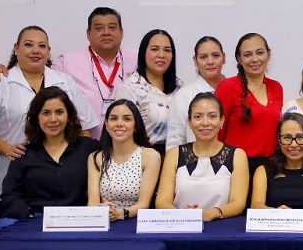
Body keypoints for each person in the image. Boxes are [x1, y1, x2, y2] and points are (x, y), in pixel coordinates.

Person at [0, 26, 99, 208]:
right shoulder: (0, 82)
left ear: (49, 51)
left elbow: (84, 128)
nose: (35, 51)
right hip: (11, 177)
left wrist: (77, 167)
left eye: (42, 46)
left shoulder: (64, 81)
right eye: (28, 45)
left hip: (60, 184)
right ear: (16, 48)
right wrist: (8, 149)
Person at [0, 7, 136, 138]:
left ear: (121, 32)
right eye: (99, 28)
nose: (106, 33)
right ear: (88, 34)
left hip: (127, 147)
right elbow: (35, 69)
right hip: (87, 146)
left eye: (112, 27)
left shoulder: (136, 62)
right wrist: (1, 68)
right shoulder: (67, 62)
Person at [0, 87, 99, 222]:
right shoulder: (24, 153)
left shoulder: (89, 148)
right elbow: (9, 194)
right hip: (31, 219)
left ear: (69, 115)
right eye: (46, 113)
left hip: (76, 219)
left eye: (59, 112)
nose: (53, 119)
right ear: (36, 117)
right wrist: (28, 215)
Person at [156, 92, 248, 221]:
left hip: (222, 229)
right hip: (181, 227)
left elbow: (238, 203)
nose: (205, 123)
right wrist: (181, 215)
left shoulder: (237, 155)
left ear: (222, 121)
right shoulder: (174, 154)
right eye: (198, 117)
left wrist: (212, 213)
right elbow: (162, 201)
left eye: (212, 116)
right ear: (189, 121)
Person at [215, 33, 283, 179]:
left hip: (270, 168)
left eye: (260, 53)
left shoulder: (276, 88)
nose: (254, 59)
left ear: (268, 55)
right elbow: (216, 132)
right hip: (234, 167)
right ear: (239, 59)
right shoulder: (227, 87)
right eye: (247, 55)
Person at [251, 113, 303, 219]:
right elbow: (256, 205)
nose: (293, 144)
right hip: (274, 228)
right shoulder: (263, 171)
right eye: (287, 138)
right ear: (279, 140)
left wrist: (301, 217)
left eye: (300, 137)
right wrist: (276, 214)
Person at [87, 99, 161, 221]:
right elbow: (92, 203)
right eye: (114, 118)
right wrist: (101, 209)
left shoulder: (150, 156)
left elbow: (144, 204)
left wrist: (120, 213)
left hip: (134, 222)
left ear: (136, 125)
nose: (119, 124)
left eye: (126, 119)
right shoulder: (96, 157)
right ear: (106, 124)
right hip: (104, 221)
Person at [115, 29, 182, 157]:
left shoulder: (179, 87)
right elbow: (122, 133)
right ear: (143, 53)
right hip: (144, 159)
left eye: (167, 50)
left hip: (177, 159)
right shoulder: (130, 89)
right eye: (155, 49)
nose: (161, 55)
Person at [167, 36, 227, 150]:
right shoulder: (183, 96)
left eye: (216, 56)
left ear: (224, 58)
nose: (210, 62)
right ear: (195, 60)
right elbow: (175, 141)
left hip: (235, 162)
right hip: (193, 164)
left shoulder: (236, 91)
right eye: (203, 57)